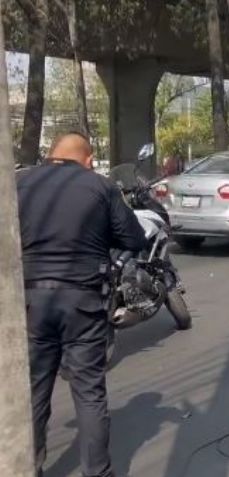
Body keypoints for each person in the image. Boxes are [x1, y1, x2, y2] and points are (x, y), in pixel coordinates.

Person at [17, 132, 147, 477]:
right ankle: (98, 473)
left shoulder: (18, 182)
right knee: (89, 393)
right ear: (88, 160)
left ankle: (29, 467)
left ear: (51, 154)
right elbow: (134, 238)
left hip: (30, 302)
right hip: (84, 303)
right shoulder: (101, 187)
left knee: (34, 390)